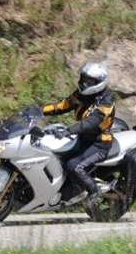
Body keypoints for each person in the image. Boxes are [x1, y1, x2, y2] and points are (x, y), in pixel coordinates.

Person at [42, 61, 116, 207]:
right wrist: (40, 110)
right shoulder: (82, 95)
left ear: (99, 82)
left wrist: (68, 131)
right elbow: (63, 105)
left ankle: (93, 191)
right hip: (83, 139)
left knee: (74, 166)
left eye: (89, 81)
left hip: (99, 143)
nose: (84, 83)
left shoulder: (106, 101)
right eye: (83, 79)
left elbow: (90, 122)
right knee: (53, 155)